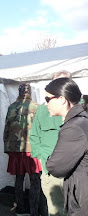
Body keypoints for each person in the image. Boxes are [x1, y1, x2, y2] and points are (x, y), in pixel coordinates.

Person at [30, 70, 72, 216]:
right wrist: (43, 159)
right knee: (56, 211)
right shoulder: (43, 109)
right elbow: (34, 135)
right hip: (51, 172)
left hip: (77, 173)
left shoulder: (82, 106)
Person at [45, 78, 88, 216]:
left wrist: (48, 160)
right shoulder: (81, 120)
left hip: (82, 198)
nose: (46, 104)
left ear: (62, 100)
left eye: (48, 98)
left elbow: (56, 166)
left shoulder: (74, 127)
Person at [3, 83, 42, 216]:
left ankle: (20, 209)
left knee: (19, 179)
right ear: (29, 92)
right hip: (32, 150)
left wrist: (7, 148)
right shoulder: (37, 107)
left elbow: (6, 129)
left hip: (15, 149)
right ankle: (34, 212)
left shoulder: (11, 107)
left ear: (19, 92)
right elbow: (42, 129)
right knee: (35, 180)